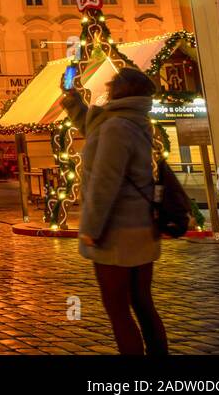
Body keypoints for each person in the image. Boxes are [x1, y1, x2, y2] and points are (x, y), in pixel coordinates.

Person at [61, 67, 169, 355]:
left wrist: (91, 230)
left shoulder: (115, 126)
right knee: (142, 302)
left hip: (116, 232)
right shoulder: (133, 120)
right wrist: (72, 99)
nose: (107, 91)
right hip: (142, 228)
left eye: (111, 87)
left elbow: (104, 183)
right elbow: (92, 126)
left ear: (120, 91)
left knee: (118, 308)